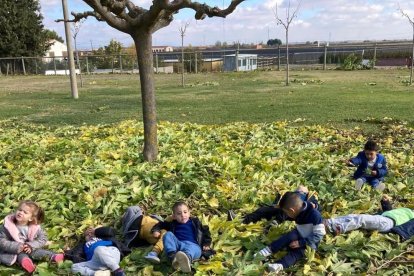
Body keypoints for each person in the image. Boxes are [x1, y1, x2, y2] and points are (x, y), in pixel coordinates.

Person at [255, 192, 326, 273]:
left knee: (298, 253)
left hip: (311, 242)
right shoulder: (299, 209)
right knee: (287, 237)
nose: (286, 215)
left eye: (287, 213)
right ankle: (267, 251)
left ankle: (279, 265)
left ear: (292, 210)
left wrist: (300, 243)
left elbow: (319, 235)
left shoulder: (315, 216)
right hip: (300, 232)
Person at [0, 200, 64, 274]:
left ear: (30, 218)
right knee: (21, 256)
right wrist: (18, 247)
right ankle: (26, 263)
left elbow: (43, 239)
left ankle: (53, 256)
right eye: (20, 210)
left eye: (25, 212)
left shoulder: (35, 227)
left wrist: (31, 245)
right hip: (14, 250)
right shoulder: (7, 226)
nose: (21, 213)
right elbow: (1, 241)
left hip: (30, 247)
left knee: (37, 252)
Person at [151, 201, 214, 273]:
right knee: (167, 235)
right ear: (174, 216)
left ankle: (186, 259)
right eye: (179, 213)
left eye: (185, 212)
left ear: (189, 213)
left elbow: (205, 231)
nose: (183, 215)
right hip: (178, 245)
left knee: (191, 249)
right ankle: (173, 257)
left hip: (193, 245)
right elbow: (160, 224)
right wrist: (156, 230)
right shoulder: (172, 223)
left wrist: (206, 243)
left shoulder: (195, 222)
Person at [325, 195, 414, 236]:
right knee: (354, 216)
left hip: (388, 223)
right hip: (384, 218)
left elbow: (409, 228)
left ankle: (339, 228)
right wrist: (386, 202)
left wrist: (398, 233)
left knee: (361, 219)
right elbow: (390, 212)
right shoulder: (407, 210)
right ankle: (331, 221)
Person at [65, 226, 131, 276]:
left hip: (111, 253)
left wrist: (95, 231)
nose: (89, 235)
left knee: (99, 249)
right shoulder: (83, 245)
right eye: (87, 234)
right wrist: (68, 252)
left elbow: (110, 231)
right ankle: (98, 274)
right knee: (74, 267)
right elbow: (75, 255)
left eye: (91, 233)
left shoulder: (103, 237)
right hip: (96, 262)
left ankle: (117, 270)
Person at [239, 185, 321, 225]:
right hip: (286, 210)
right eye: (298, 190)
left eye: (301, 190)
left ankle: (275, 223)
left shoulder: (311, 198)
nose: (299, 190)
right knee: (264, 210)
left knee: (277, 212)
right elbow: (283, 203)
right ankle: (242, 220)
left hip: (296, 216)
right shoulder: (294, 196)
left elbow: (316, 210)